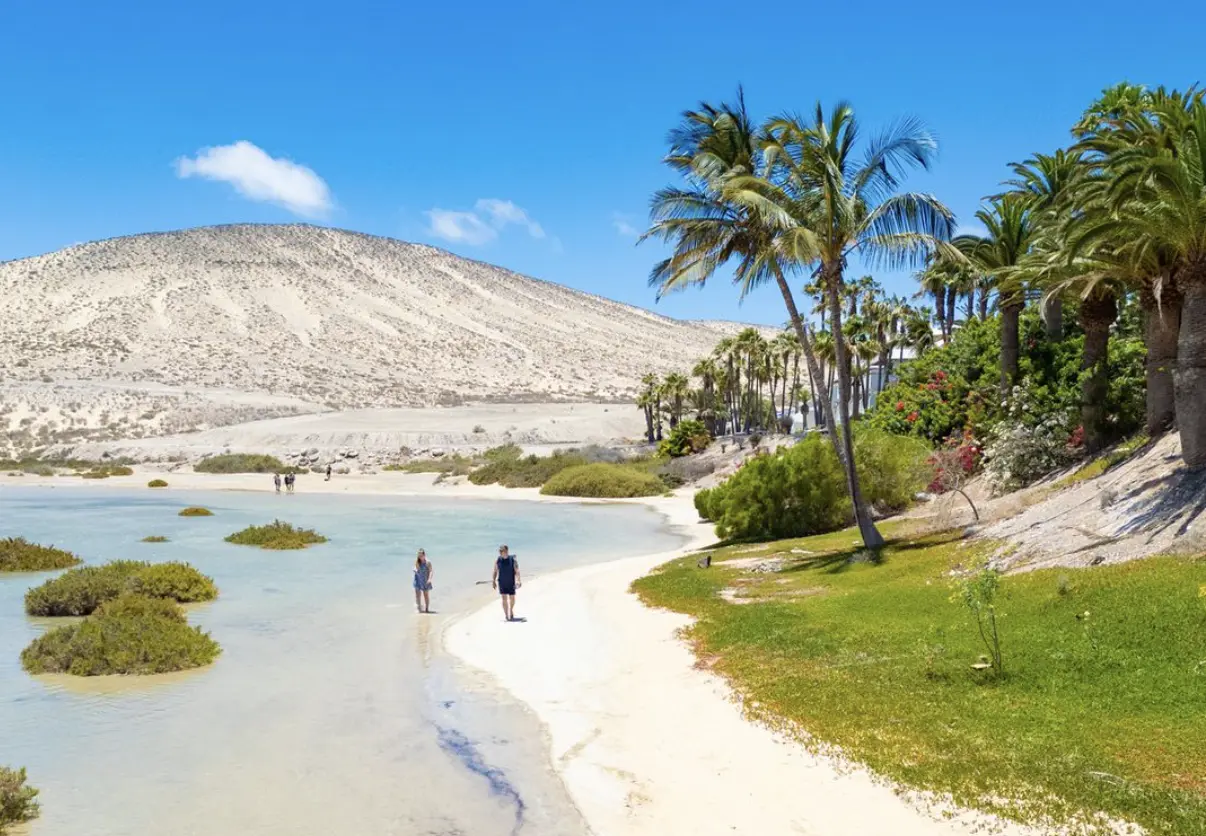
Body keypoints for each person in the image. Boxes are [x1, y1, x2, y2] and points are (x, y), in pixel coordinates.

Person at [491, 545, 521, 621]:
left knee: (512, 599)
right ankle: (506, 615)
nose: (501, 552)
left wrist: (518, 580)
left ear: (507, 551)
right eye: (500, 551)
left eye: (503, 551)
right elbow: (495, 571)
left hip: (511, 582)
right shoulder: (498, 560)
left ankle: (510, 610)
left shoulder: (512, 560)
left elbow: (517, 570)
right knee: (504, 599)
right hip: (502, 582)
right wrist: (493, 581)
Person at [413, 549, 433, 613]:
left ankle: (427, 609)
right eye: (419, 555)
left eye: (421, 555)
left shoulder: (428, 562)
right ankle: (419, 608)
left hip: (425, 579)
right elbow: (415, 568)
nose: (420, 557)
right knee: (417, 595)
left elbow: (431, 571)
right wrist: (415, 570)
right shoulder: (417, 561)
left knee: (426, 595)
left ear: (424, 555)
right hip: (418, 579)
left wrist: (429, 579)